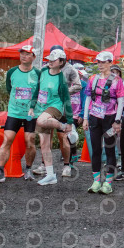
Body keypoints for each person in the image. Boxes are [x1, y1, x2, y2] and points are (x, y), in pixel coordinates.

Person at [0, 45, 40, 184]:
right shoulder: (12, 72)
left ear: (33, 57)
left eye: (27, 54)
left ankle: (28, 169)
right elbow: (9, 88)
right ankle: (0, 172)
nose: (23, 56)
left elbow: (39, 93)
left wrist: (32, 106)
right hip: (14, 112)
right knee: (7, 140)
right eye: (22, 53)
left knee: (29, 141)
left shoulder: (38, 73)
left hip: (31, 114)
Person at [33, 45, 81, 177]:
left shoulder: (70, 69)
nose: (51, 60)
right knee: (45, 138)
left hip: (61, 107)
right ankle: (44, 165)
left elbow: (78, 85)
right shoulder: (45, 69)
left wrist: (64, 92)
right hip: (45, 106)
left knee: (62, 137)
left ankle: (67, 165)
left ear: (61, 59)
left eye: (54, 58)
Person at [81, 52, 124, 194]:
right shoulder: (93, 79)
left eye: (103, 62)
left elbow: (121, 101)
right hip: (94, 117)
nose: (100, 65)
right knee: (95, 149)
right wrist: (86, 118)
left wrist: (117, 121)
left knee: (110, 149)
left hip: (110, 119)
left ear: (110, 63)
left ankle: (108, 182)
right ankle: (96, 181)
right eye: (98, 62)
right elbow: (88, 98)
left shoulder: (117, 80)